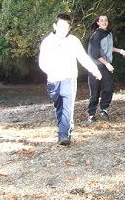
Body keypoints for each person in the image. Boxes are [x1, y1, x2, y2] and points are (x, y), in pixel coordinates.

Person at [39, 14, 102, 146]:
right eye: (61, 26)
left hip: (69, 77)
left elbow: (83, 57)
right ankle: (64, 128)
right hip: (54, 79)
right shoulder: (48, 42)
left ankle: (63, 135)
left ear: (69, 28)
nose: (63, 30)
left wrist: (94, 70)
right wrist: (52, 71)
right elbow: (42, 62)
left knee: (68, 106)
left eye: (66, 27)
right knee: (59, 106)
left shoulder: (73, 41)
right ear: (55, 26)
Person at [86, 14, 125, 123]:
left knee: (108, 88)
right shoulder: (96, 35)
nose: (104, 22)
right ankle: (91, 114)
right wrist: (107, 64)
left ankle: (103, 109)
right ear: (98, 23)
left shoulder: (108, 34)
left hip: (106, 66)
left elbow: (109, 48)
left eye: (106, 20)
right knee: (95, 91)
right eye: (102, 20)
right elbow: (95, 53)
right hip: (95, 67)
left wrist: (120, 51)